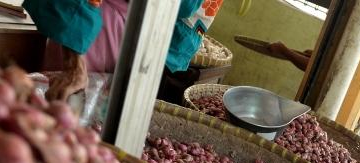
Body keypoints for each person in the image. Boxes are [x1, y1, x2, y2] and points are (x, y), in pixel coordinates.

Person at [23, 0, 223, 102]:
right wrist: (74, 64)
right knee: (65, 111)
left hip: (149, 39)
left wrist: (162, 58)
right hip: (94, 27)